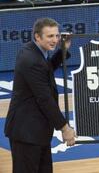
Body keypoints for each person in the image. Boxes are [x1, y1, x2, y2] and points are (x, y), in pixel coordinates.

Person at [4, 18, 76, 173]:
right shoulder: (31, 59)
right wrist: (64, 128)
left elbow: (46, 69)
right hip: (27, 133)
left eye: (57, 36)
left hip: (36, 131)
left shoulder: (33, 51)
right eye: (50, 36)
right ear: (37, 36)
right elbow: (44, 98)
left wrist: (62, 51)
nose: (55, 40)